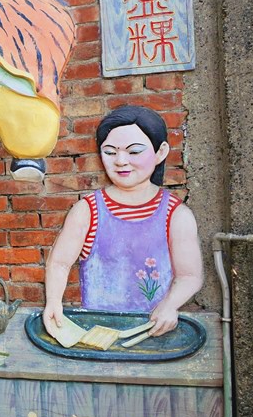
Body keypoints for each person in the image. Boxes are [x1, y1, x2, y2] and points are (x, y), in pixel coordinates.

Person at [43, 105, 203, 338]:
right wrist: (54, 302)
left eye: (134, 151)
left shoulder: (176, 215)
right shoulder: (87, 211)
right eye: (109, 152)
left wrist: (170, 305)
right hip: (96, 332)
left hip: (153, 331)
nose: (120, 161)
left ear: (161, 152)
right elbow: (59, 263)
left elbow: (190, 276)